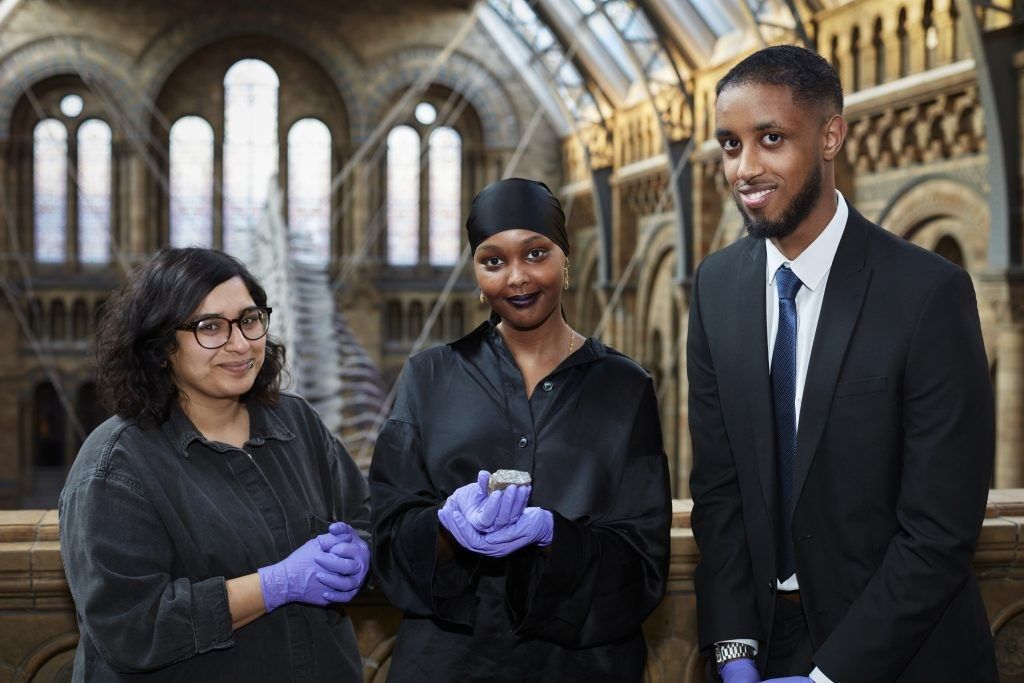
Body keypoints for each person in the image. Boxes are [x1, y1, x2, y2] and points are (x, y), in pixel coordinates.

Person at [688, 45, 997, 682]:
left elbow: (939, 528)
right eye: (729, 144)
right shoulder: (715, 287)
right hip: (764, 643)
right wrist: (734, 650)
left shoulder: (927, 293)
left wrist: (832, 677)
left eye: (770, 138)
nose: (745, 167)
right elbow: (719, 495)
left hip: (902, 655)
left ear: (831, 136)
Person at [369, 178, 672, 681]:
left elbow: (642, 559)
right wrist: (446, 527)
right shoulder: (428, 377)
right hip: (449, 665)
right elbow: (387, 537)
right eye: (494, 261)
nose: (517, 278)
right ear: (475, 272)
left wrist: (555, 536)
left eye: (536, 254)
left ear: (566, 258)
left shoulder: (624, 386)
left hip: (582, 666)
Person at [59, 247, 371, 680]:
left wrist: (360, 549)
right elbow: (130, 629)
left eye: (248, 319)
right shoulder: (116, 465)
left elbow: (363, 515)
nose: (240, 343)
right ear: (161, 345)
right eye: (210, 327)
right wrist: (273, 585)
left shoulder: (298, 422)